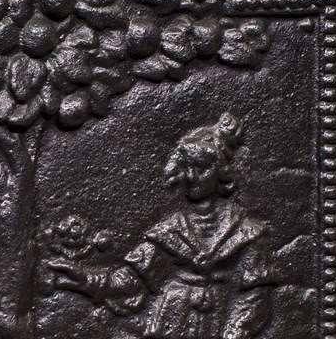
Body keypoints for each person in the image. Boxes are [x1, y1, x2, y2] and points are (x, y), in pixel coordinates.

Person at [48, 113, 274, 339]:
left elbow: (256, 296)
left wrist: (234, 333)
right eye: (187, 168)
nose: (192, 177)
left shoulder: (246, 231)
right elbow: (131, 279)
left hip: (224, 324)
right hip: (171, 322)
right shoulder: (170, 230)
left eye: (201, 169)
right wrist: (84, 277)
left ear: (221, 172)